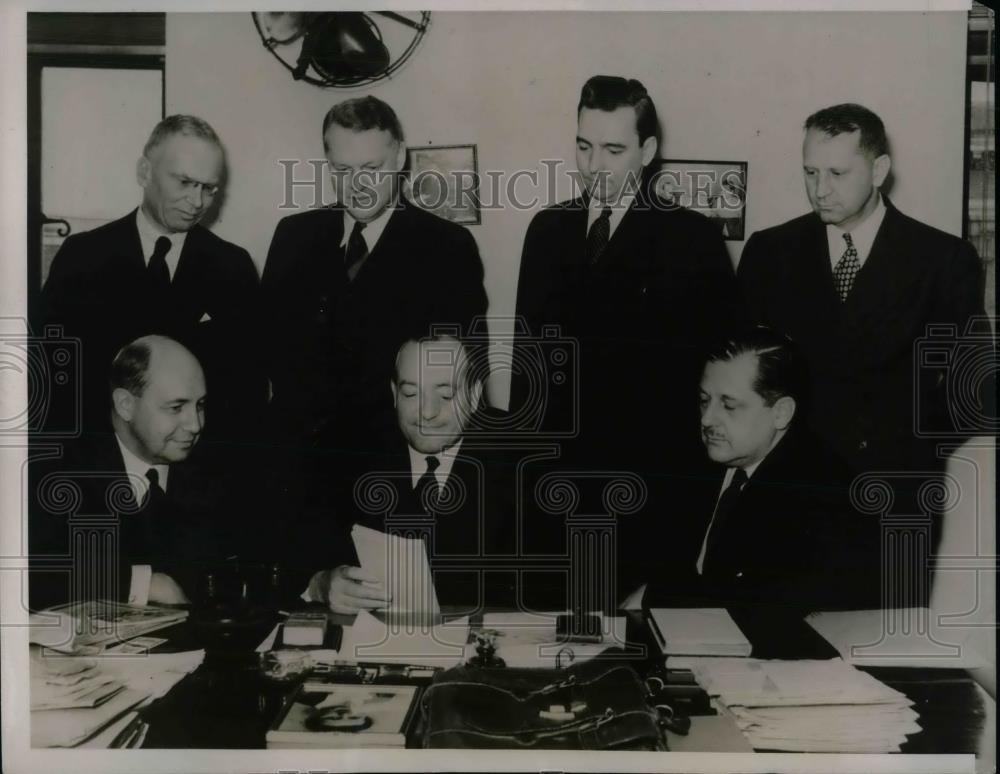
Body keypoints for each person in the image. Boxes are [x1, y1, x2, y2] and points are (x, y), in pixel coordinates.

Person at [511, 75, 743, 595]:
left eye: (614, 150)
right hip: (554, 498)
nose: (595, 165)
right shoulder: (546, 230)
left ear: (648, 151)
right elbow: (527, 371)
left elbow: (716, 386)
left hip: (651, 500)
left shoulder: (693, 240)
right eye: (584, 146)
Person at [738, 103, 986, 476]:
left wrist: (911, 456)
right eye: (810, 172)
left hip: (891, 483)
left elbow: (973, 390)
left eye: (837, 173)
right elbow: (741, 375)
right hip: (790, 482)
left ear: (879, 170)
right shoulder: (768, 252)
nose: (820, 190)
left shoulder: (943, 260)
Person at [260, 96, 488, 450]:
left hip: (390, 462)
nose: (358, 185)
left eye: (371, 167)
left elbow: (465, 378)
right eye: (343, 170)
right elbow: (268, 354)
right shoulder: (292, 236)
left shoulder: (448, 247)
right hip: (295, 458)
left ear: (400, 157)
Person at [40, 115, 263, 443]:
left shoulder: (233, 266)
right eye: (184, 182)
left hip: (198, 461)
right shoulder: (82, 256)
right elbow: (51, 376)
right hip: (100, 455)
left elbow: (246, 390)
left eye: (208, 189)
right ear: (144, 172)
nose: (196, 202)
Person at [646, 327, 878, 612]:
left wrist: (654, 597)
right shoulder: (695, 459)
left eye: (729, 406)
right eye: (704, 400)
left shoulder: (822, 492)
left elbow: (754, 606)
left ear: (781, 413)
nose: (707, 419)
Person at [299, 334, 524, 615]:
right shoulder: (346, 456)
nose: (427, 413)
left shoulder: (523, 469)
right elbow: (290, 559)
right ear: (394, 393)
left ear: (475, 395)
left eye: (446, 395)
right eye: (410, 394)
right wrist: (321, 584)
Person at [29, 336, 226, 610]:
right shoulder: (57, 473)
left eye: (200, 405)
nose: (195, 424)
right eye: (176, 407)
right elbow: (31, 574)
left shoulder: (217, 471)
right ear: (125, 405)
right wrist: (143, 584)